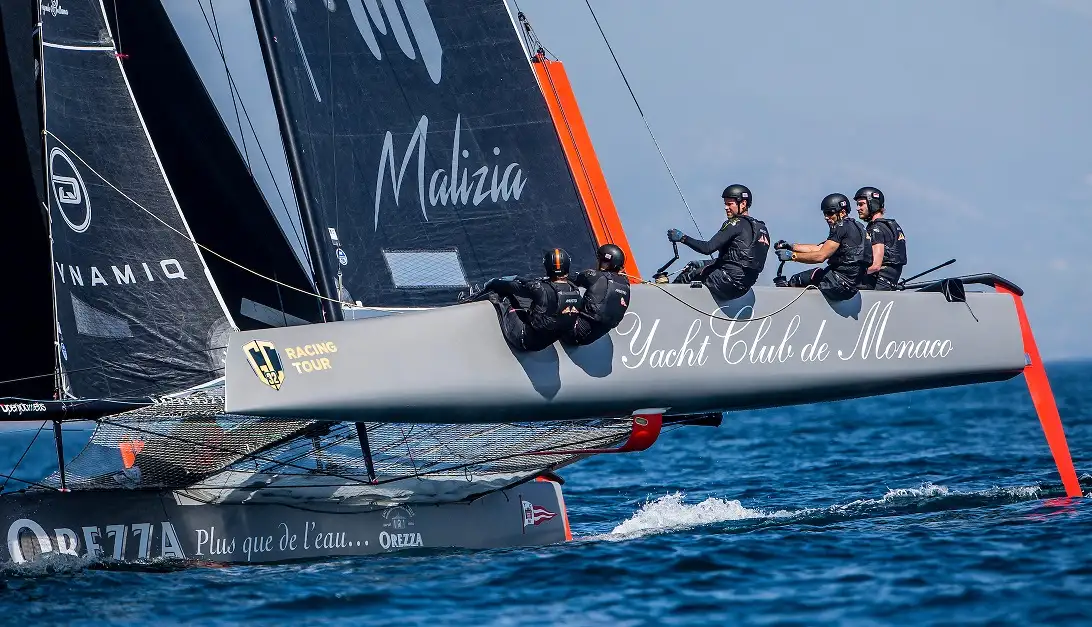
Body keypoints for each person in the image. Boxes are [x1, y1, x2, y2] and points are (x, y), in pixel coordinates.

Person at [666, 184, 771, 300]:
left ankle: (667, 301)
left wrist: (682, 238)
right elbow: (738, 261)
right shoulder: (761, 229)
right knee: (695, 266)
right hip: (743, 287)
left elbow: (707, 248)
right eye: (725, 204)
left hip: (726, 282)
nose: (726, 207)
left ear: (743, 204)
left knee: (689, 275)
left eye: (729, 204)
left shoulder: (735, 223)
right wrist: (704, 263)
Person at [479, 248, 584, 352]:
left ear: (546, 266)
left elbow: (510, 287)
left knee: (502, 295)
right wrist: (521, 279)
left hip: (523, 339)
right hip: (544, 343)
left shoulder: (540, 289)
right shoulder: (574, 291)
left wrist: (493, 282)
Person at [772, 193, 870, 301]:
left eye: (829, 213)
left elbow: (820, 256)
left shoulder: (840, 227)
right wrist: (791, 247)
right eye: (824, 213)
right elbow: (819, 248)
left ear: (842, 212)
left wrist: (792, 256)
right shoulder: (857, 227)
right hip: (853, 287)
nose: (826, 217)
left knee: (798, 279)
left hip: (837, 284)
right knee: (817, 274)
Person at [561, 243, 631, 346]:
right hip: (588, 340)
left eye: (599, 260)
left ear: (605, 263)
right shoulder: (626, 284)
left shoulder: (594, 276)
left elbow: (570, 279)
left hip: (573, 334)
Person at [854, 186, 907, 290]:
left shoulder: (876, 229)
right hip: (890, 282)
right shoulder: (892, 226)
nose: (858, 208)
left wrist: (853, 275)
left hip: (877, 284)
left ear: (872, 203)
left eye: (861, 204)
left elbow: (876, 266)